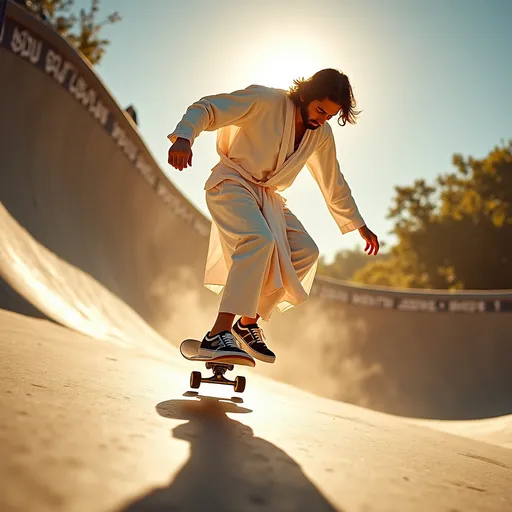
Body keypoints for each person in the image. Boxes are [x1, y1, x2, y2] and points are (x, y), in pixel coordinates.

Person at [167, 68, 379, 365]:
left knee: (306, 251)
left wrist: (359, 225)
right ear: (305, 94)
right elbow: (209, 107)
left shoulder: (320, 135)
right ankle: (218, 332)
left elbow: (333, 181)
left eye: (329, 116)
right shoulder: (265, 100)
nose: (321, 120)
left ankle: (247, 323)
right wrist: (184, 137)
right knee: (259, 240)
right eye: (320, 110)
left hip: (268, 197)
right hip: (232, 184)